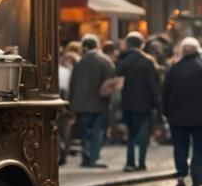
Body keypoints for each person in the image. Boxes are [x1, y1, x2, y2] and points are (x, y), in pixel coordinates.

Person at [116, 31, 161, 172]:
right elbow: (154, 85)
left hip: (126, 103)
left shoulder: (122, 61)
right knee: (143, 136)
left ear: (128, 44)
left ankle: (130, 162)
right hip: (144, 104)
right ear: (142, 45)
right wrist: (157, 104)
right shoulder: (148, 62)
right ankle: (141, 163)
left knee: (130, 135)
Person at [162, 36, 202, 186]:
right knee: (199, 149)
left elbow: (165, 93)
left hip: (177, 117)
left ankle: (180, 175)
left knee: (179, 147)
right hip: (200, 118)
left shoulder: (174, 69)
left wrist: (166, 112)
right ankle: (197, 180)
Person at [69, 34, 114, 168]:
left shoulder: (79, 62)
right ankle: (94, 158)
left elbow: (73, 84)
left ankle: (86, 157)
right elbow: (110, 83)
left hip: (81, 104)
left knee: (85, 133)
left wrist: (71, 104)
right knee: (97, 132)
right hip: (100, 103)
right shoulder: (105, 61)